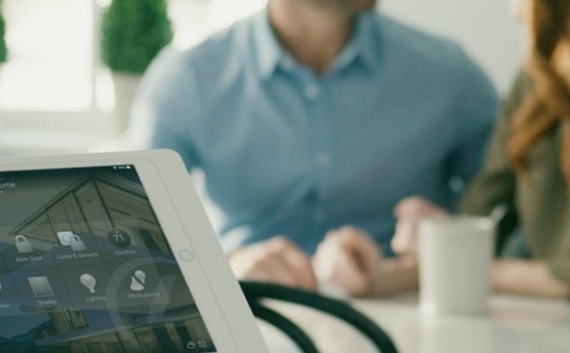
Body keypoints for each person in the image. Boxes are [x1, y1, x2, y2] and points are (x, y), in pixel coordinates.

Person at [126, 0, 499, 289]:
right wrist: (228, 264)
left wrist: (442, 242)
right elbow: (128, 228)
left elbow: (511, 218)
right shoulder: (189, 79)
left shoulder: (449, 76)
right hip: (253, 314)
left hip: (411, 327)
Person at [312, 0, 570, 299]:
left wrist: (455, 259)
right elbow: (482, 215)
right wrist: (380, 273)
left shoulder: (449, 72)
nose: (514, 12)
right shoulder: (535, 87)